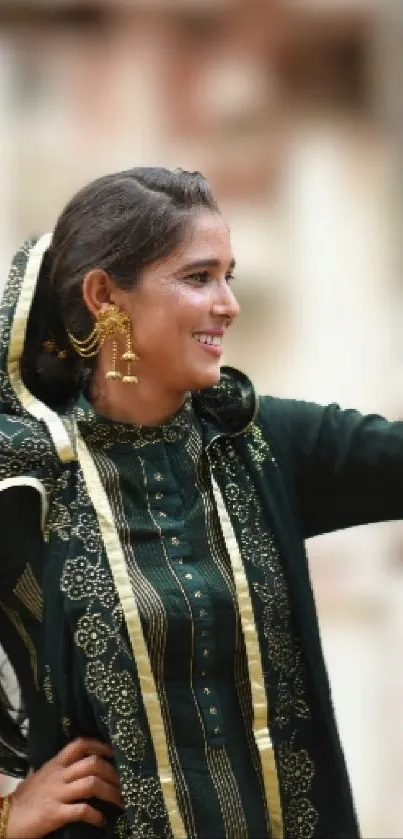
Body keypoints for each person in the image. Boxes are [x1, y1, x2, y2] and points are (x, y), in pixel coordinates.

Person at [0, 166, 402, 839]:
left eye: (228, 276)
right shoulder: (26, 480)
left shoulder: (265, 443)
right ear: (105, 296)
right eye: (197, 277)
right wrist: (11, 812)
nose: (227, 303)